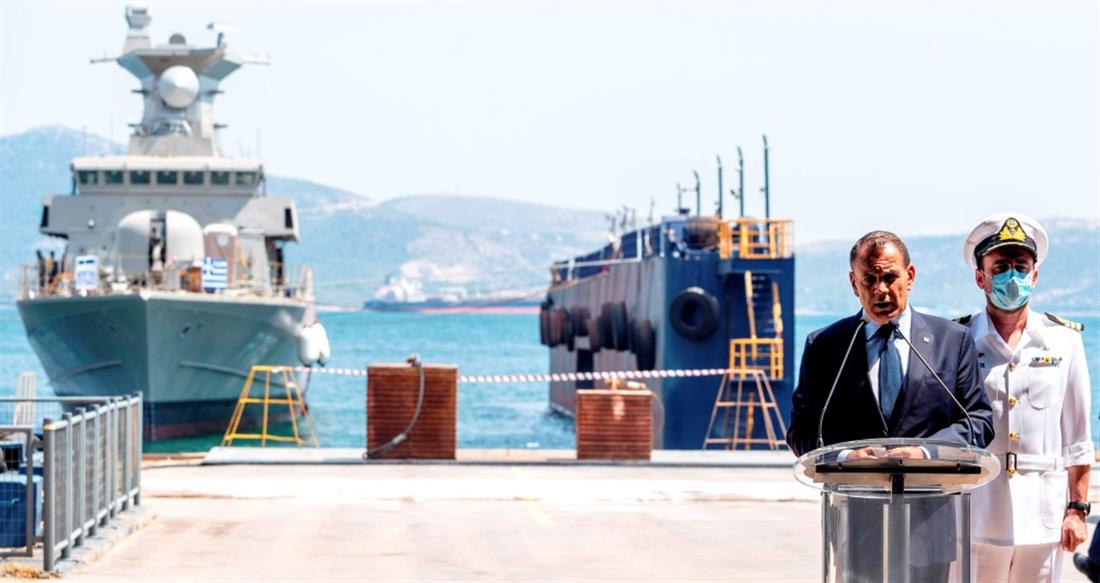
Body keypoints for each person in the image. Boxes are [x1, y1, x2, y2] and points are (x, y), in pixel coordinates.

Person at [787, 230, 994, 581]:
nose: (880, 289)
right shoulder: (826, 346)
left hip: (930, 523)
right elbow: (802, 430)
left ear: (910, 276)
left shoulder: (951, 341)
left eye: (890, 277)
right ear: (854, 283)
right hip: (856, 521)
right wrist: (845, 456)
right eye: (869, 279)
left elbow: (978, 420)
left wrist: (927, 453)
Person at [958, 213, 1092, 582]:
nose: (1012, 276)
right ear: (980, 277)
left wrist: (1077, 509)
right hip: (977, 513)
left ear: (1034, 276)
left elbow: (1078, 437)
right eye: (1000, 267)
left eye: (1021, 266)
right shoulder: (959, 340)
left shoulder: (1063, 341)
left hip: (1044, 517)